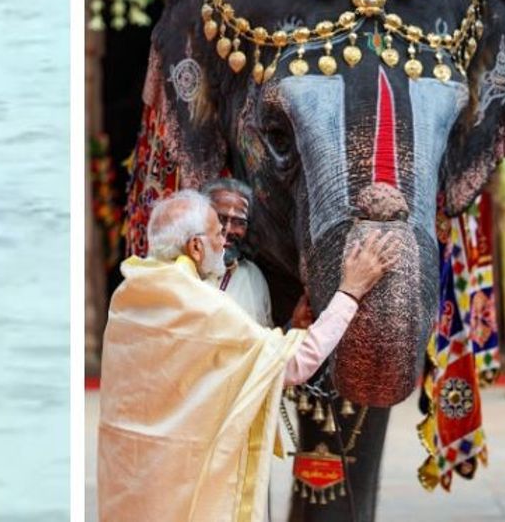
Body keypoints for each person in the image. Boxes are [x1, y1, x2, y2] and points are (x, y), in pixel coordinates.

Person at [97, 190, 396, 522]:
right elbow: (296, 364)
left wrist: (288, 329)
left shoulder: (128, 294)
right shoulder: (201, 306)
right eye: (216, 233)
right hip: (186, 483)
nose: (223, 241)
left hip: (134, 480)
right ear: (195, 247)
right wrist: (350, 291)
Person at [200, 178, 273, 327]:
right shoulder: (180, 268)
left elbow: (265, 338)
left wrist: (294, 324)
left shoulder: (253, 276)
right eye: (220, 218)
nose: (228, 229)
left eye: (239, 222)